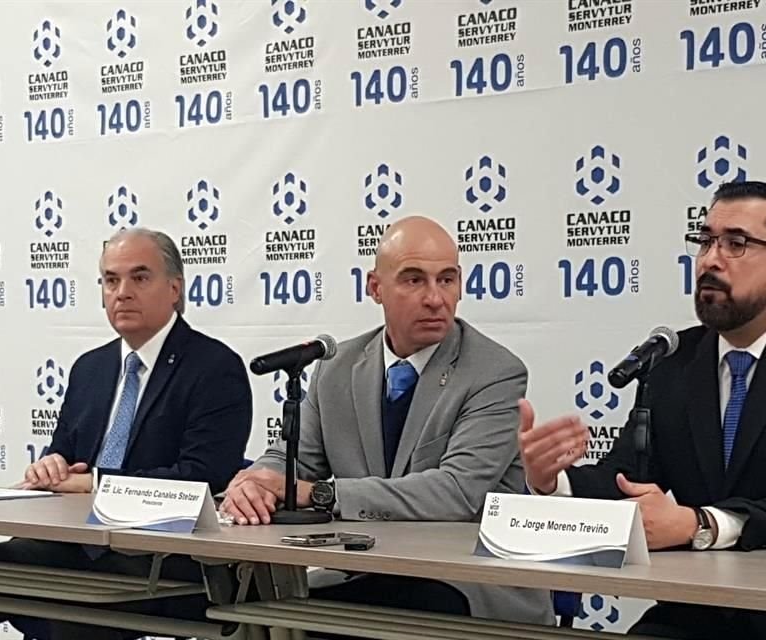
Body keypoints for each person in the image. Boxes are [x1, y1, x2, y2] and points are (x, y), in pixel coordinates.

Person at [518, 181, 766, 640]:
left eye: (736, 244)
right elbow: (628, 478)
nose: (710, 260)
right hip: (702, 613)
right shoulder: (674, 362)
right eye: (704, 241)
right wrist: (550, 482)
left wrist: (699, 524)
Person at [222, 215, 553, 627]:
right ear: (375, 288)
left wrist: (319, 494)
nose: (436, 298)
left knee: (328, 616)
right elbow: (293, 458)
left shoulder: (495, 372)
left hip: (464, 582)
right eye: (414, 280)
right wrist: (254, 483)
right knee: (248, 601)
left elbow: (455, 494)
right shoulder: (337, 366)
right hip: (368, 570)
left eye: (447, 280)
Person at [0, 228, 253, 640]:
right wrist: (50, 467)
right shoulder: (89, 369)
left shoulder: (214, 367)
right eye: (111, 280)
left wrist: (94, 483)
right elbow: (65, 454)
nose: (122, 292)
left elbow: (205, 475)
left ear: (175, 288)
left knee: (71, 608)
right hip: (79, 544)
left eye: (139, 278)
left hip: (161, 555)